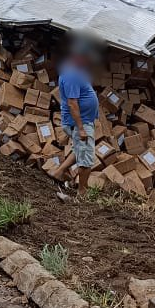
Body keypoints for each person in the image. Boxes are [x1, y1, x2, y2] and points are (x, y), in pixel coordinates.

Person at [58, 40, 100, 196]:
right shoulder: (71, 75)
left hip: (82, 122)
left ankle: (58, 172)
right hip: (80, 123)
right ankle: (82, 191)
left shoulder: (78, 72)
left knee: (79, 151)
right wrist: (80, 128)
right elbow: (72, 103)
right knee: (86, 159)